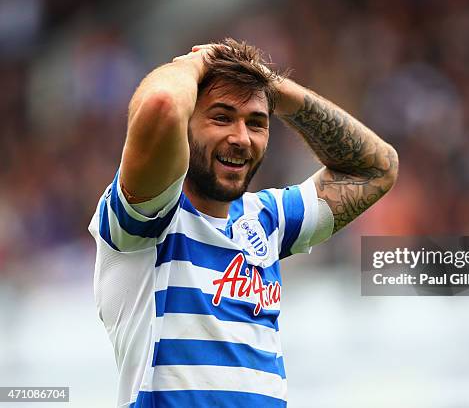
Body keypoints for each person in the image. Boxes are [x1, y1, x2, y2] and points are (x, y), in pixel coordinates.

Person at [89, 38, 398, 407]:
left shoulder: (267, 220)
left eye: (256, 123)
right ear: (186, 125)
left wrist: (274, 88)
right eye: (221, 117)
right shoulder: (147, 221)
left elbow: (377, 168)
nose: (241, 138)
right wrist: (198, 63)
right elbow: (162, 105)